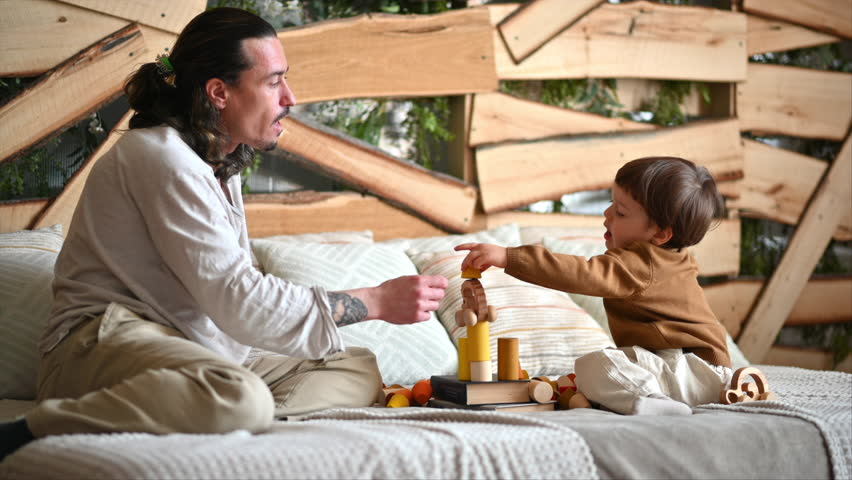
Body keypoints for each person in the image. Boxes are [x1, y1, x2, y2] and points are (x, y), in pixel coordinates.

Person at [0, 7, 448, 461]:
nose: (290, 97)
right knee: (241, 395)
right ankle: (33, 429)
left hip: (195, 347)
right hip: (101, 343)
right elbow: (239, 301)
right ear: (219, 92)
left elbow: (238, 303)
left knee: (356, 366)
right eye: (274, 81)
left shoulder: (220, 167)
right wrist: (374, 300)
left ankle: (224, 414)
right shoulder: (158, 156)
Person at [455, 156, 732, 416]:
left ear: (660, 233)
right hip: (697, 371)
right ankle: (648, 397)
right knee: (605, 368)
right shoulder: (672, 259)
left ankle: (651, 403)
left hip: (691, 371)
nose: (607, 213)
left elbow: (582, 273)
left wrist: (508, 257)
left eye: (621, 212)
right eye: (612, 203)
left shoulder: (641, 263)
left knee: (594, 364)